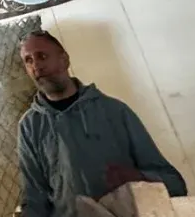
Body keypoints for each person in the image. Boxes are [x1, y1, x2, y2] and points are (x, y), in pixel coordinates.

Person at [17, 31, 186, 217]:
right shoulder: (29, 127)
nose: (36, 66)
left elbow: (174, 184)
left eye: (42, 56)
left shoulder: (115, 112)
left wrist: (137, 178)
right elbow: (34, 197)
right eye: (28, 60)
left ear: (64, 60)